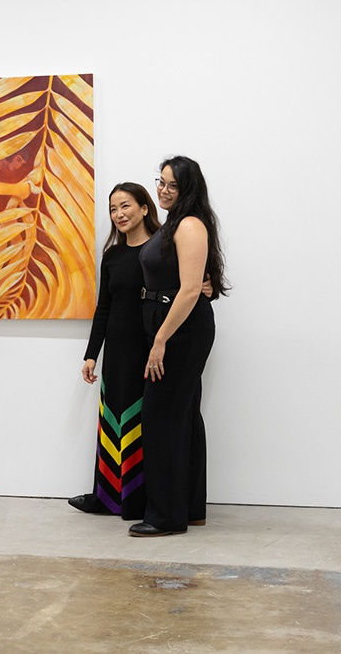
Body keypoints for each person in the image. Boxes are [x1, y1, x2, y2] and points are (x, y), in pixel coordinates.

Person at [129, 156, 227, 538]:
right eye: (161, 182)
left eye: (172, 185)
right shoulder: (174, 223)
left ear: (188, 190)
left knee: (163, 418)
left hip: (179, 331)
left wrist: (160, 340)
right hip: (172, 325)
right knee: (182, 417)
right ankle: (188, 508)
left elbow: (188, 291)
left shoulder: (188, 224)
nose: (163, 190)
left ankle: (167, 516)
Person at [70, 183, 161, 520]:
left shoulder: (159, 252)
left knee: (141, 422)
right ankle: (106, 497)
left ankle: (139, 501)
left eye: (125, 206)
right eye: (113, 209)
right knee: (111, 421)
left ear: (144, 208)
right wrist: (92, 354)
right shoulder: (112, 255)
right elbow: (103, 309)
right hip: (117, 353)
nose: (119, 214)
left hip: (148, 351)